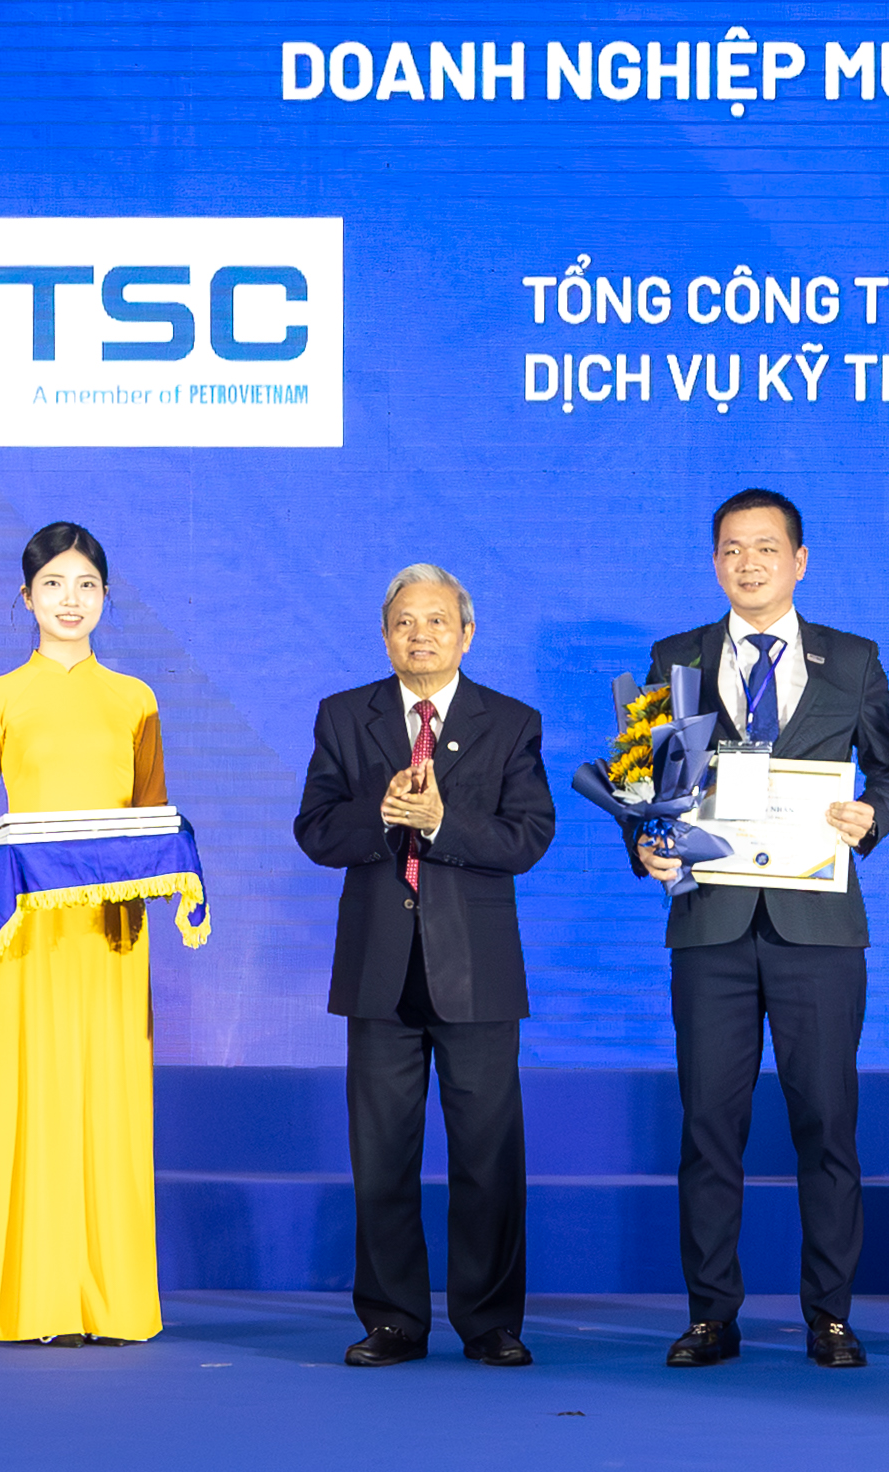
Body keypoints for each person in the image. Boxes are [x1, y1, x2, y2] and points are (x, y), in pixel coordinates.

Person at [632, 489, 889, 1370]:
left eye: (765, 547)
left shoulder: (854, 659)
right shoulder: (675, 657)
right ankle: (710, 1316)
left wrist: (872, 815)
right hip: (710, 924)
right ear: (714, 562)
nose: (747, 563)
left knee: (826, 1123)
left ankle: (829, 1315)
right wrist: (645, 843)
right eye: (731, 548)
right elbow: (645, 780)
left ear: (799, 560)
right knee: (708, 1127)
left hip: (818, 927)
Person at [294, 564, 555, 1369]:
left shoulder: (510, 722)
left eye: (437, 621)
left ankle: (491, 1322)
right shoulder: (346, 716)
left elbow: (528, 837)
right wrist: (378, 815)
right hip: (379, 966)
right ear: (385, 636)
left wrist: (443, 823)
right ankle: (393, 1320)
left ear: (466, 634)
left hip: (476, 969)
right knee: (381, 1156)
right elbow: (315, 829)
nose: (421, 635)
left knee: (487, 1156)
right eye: (405, 622)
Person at [0, 521, 167, 1345]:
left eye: (85, 585)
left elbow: (152, 814)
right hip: (30, 929)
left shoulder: (137, 699)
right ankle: (36, 1302)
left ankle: (115, 1304)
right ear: (25, 598)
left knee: (113, 1101)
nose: (70, 600)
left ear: (106, 597)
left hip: (112, 930)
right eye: (53, 585)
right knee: (36, 1095)